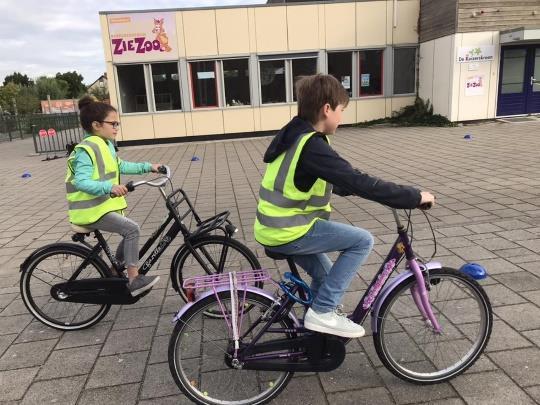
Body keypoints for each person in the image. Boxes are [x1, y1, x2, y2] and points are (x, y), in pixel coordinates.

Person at [254, 74, 435, 338]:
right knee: (362, 240)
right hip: (289, 232)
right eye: (341, 110)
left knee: (327, 276)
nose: (341, 117)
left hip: (275, 229)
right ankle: (323, 313)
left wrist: (348, 184)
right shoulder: (311, 145)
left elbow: (324, 179)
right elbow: (357, 180)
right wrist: (412, 196)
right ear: (327, 109)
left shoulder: (294, 137)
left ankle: (314, 334)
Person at [65, 95, 161, 297]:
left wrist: (149, 167)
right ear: (96, 125)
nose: (117, 127)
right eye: (113, 123)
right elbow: (80, 182)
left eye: (118, 123)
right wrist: (109, 187)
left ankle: (115, 270)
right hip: (89, 210)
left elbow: (121, 165)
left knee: (128, 231)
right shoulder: (86, 149)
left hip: (101, 206)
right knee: (132, 229)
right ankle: (134, 279)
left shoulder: (105, 145)